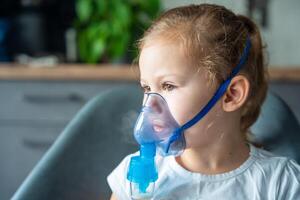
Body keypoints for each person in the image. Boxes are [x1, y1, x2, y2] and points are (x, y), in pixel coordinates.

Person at [107, 4, 300, 200]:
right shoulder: (131, 182)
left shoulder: (280, 183)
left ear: (231, 95)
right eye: (147, 88)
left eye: (168, 86)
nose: (150, 105)